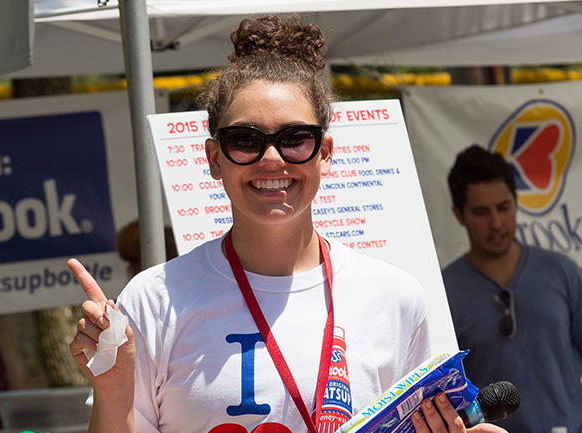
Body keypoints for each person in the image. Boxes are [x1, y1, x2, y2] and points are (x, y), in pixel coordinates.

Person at [69, 15, 506, 433]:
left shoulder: (395, 298)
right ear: (214, 158)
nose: (272, 159)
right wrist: (112, 386)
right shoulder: (154, 299)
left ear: (326, 152)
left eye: (296, 138)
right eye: (246, 140)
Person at [442, 144, 582, 433]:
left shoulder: (562, 271)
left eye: (503, 207)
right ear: (459, 214)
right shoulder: (442, 292)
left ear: (517, 202)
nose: (496, 223)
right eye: (481, 212)